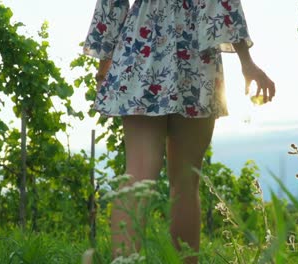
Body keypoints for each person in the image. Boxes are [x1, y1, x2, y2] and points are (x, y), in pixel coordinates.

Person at [83, 0, 275, 262]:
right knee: (186, 183)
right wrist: (247, 62)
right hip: (196, 56)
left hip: (141, 49)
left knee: (137, 174)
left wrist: (104, 65)